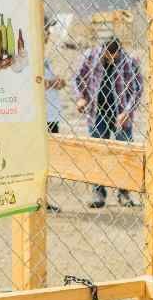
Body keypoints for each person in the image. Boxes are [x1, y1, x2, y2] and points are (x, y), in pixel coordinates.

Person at [73, 37, 142, 208]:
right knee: (98, 152)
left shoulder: (129, 62)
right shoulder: (91, 56)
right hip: (97, 112)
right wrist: (81, 97)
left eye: (112, 56)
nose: (109, 59)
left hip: (121, 114)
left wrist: (127, 111)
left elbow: (137, 88)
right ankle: (98, 193)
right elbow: (77, 78)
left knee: (124, 154)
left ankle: (124, 194)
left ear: (118, 52)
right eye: (106, 55)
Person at [44, 17, 65, 213]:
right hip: (40, 117)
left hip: (51, 116)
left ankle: (42, 198)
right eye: (46, 31)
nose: (49, 35)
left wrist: (58, 82)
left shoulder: (45, 59)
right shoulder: (29, 55)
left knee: (47, 161)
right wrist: (52, 83)